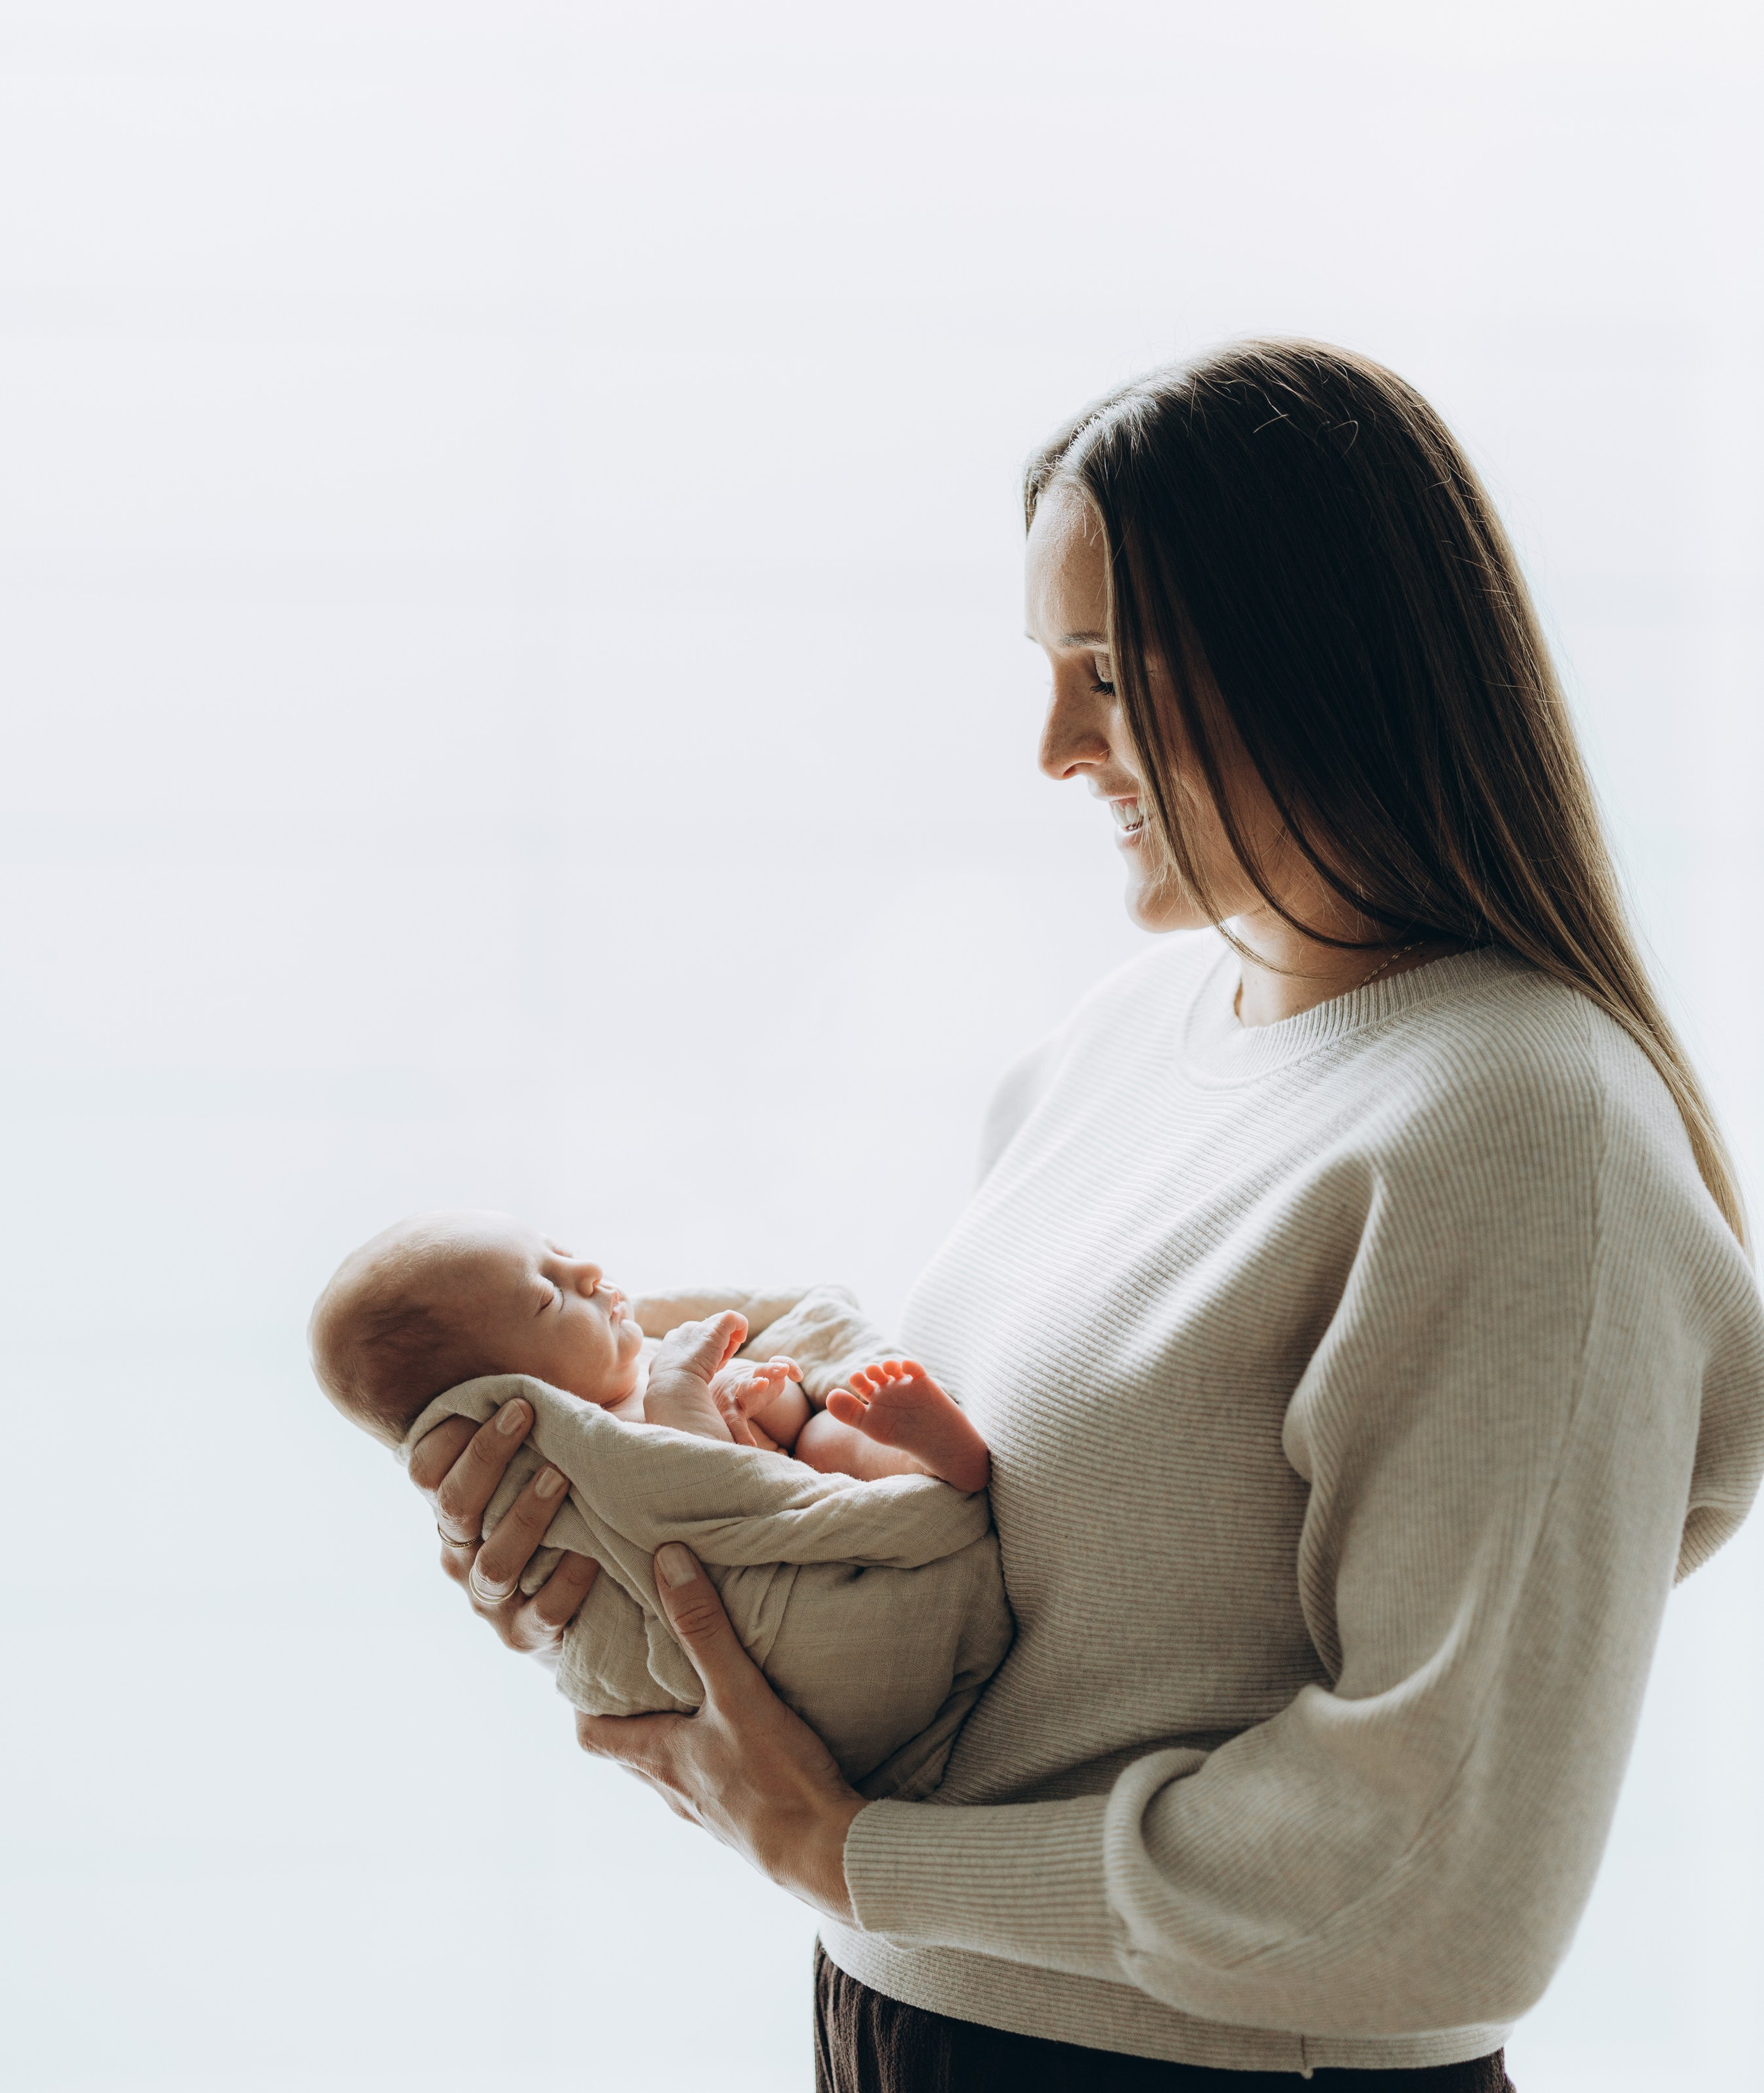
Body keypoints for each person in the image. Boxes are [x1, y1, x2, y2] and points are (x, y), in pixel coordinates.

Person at [411, 341, 1764, 2090]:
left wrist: (855, 1855)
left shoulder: (1519, 1127)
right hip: (907, 2020)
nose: (1052, 748)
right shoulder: (1129, 1035)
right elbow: (1007, 1632)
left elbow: (1442, 1883)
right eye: (1049, 672)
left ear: (1317, 660)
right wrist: (620, 1524)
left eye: (1107, 674)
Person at [309, 1207, 992, 1488]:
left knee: (825, 1432)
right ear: (500, 1394)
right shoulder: (587, 1449)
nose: (587, 1275)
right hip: (779, 1534)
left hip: (804, 1473)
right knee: (814, 1453)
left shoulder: (652, 1355)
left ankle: (926, 1453)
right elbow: (708, 1491)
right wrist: (684, 1393)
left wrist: (768, 1393)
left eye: (561, 1255)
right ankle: (938, 1464)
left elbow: (776, 1422)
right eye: (548, 1296)